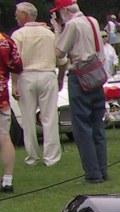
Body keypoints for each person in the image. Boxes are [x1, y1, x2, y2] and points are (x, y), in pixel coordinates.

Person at [53, 0, 108, 183]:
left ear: (65, 10)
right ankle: (102, 169)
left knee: (82, 127)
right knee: (97, 124)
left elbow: (59, 52)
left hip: (80, 75)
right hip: (96, 74)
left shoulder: (72, 25)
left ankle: (92, 173)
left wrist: (57, 29)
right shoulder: (91, 20)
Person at [11, 2, 61, 167]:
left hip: (27, 76)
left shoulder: (18, 35)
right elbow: (61, 59)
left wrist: (15, 84)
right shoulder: (49, 34)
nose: (16, 17)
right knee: (50, 117)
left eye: (18, 14)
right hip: (47, 74)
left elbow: (15, 61)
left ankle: (32, 156)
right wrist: (60, 78)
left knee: (27, 118)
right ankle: (51, 157)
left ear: (25, 14)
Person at [0, 28, 23, 193]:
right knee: (4, 136)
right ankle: (7, 180)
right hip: (1, 97)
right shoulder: (6, 41)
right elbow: (17, 65)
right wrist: (14, 85)